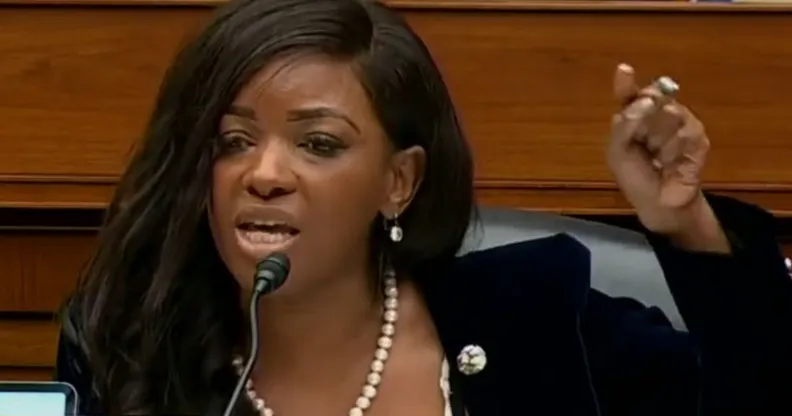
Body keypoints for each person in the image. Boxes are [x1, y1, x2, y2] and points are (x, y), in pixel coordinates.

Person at [54, 0, 792, 415]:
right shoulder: (130, 346)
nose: (265, 174)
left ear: (398, 182)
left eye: (318, 143)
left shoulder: (541, 322)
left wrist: (685, 225)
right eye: (232, 142)